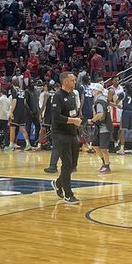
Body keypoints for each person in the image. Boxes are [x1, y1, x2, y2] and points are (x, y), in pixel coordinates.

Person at [53, 71, 82, 204]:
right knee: (67, 163)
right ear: (65, 81)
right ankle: (68, 194)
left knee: (73, 165)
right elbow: (57, 117)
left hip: (72, 133)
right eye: (72, 80)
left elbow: (73, 113)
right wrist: (73, 120)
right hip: (60, 134)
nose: (74, 82)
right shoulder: (57, 96)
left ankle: (58, 183)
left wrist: (76, 122)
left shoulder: (72, 95)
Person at [92, 85, 112, 174]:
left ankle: (107, 166)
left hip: (104, 127)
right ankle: (104, 161)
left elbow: (100, 114)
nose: (92, 91)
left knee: (103, 148)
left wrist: (92, 120)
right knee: (95, 145)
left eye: (93, 89)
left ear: (97, 91)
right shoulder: (104, 99)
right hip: (100, 127)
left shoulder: (99, 101)